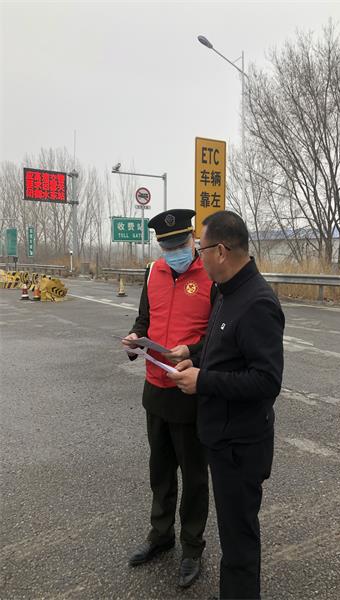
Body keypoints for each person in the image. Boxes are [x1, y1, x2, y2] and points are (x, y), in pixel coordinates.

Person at [168, 210, 285, 600]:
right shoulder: (224, 291)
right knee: (233, 533)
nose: (197, 258)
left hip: (242, 446)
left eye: (200, 250)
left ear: (221, 251)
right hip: (221, 437)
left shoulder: (258, 303)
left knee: (239, 544)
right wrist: (193, 355)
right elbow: (221, 347)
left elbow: (266, 381)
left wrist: (203, 381)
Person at [122, 209, 215, 588]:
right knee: (160, 472)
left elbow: (219, 337)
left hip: (189, 391)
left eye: (181, 244)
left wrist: (192, 352)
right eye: (168, 247)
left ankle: (192, 547)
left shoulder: (210, 275)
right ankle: (160, 534)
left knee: (193, 476)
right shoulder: (153, 273)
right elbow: (144, 319)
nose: (175, 252)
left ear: (193, 240)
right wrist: (134, 338)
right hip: (154, 388)